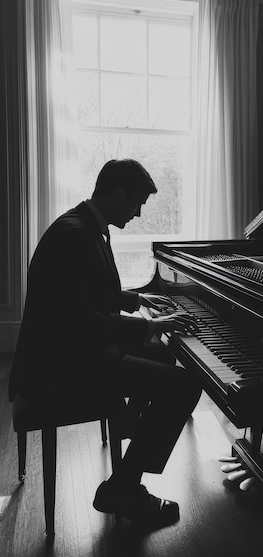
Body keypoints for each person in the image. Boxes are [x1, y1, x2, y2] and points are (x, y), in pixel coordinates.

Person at [9, 159, 202, 527]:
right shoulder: (76, 235)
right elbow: (80, 323)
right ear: (119, 194)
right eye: (138, 203)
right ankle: (124, 485)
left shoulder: (84, 224)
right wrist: (149, 326)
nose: (139, 213)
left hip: (67, 351)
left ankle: (132, 425)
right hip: (62, 366)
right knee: (185, 384)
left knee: (162, 353)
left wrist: (139, 302)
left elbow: (90, 292)